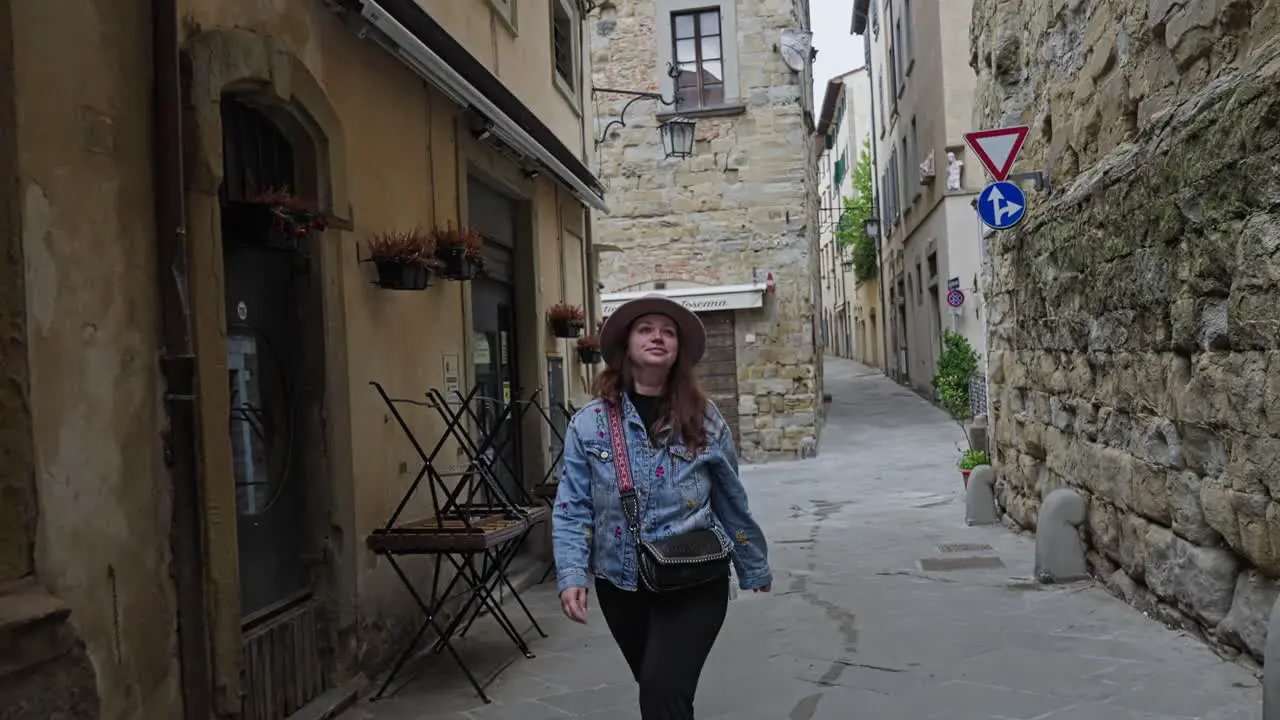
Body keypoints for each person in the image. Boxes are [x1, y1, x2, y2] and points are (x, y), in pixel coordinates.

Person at [552, 294, 773, 719]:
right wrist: (571, 573)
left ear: (678, 351)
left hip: (695, 578)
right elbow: (572, 507)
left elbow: (731, 501)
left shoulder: (705, 419)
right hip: (622, 585)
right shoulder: (590, 424)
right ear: (626, 346)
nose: (658, 337)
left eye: (668, 332)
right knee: (665, 696)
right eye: (646, 329)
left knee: (660, 689)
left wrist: (752, 563)